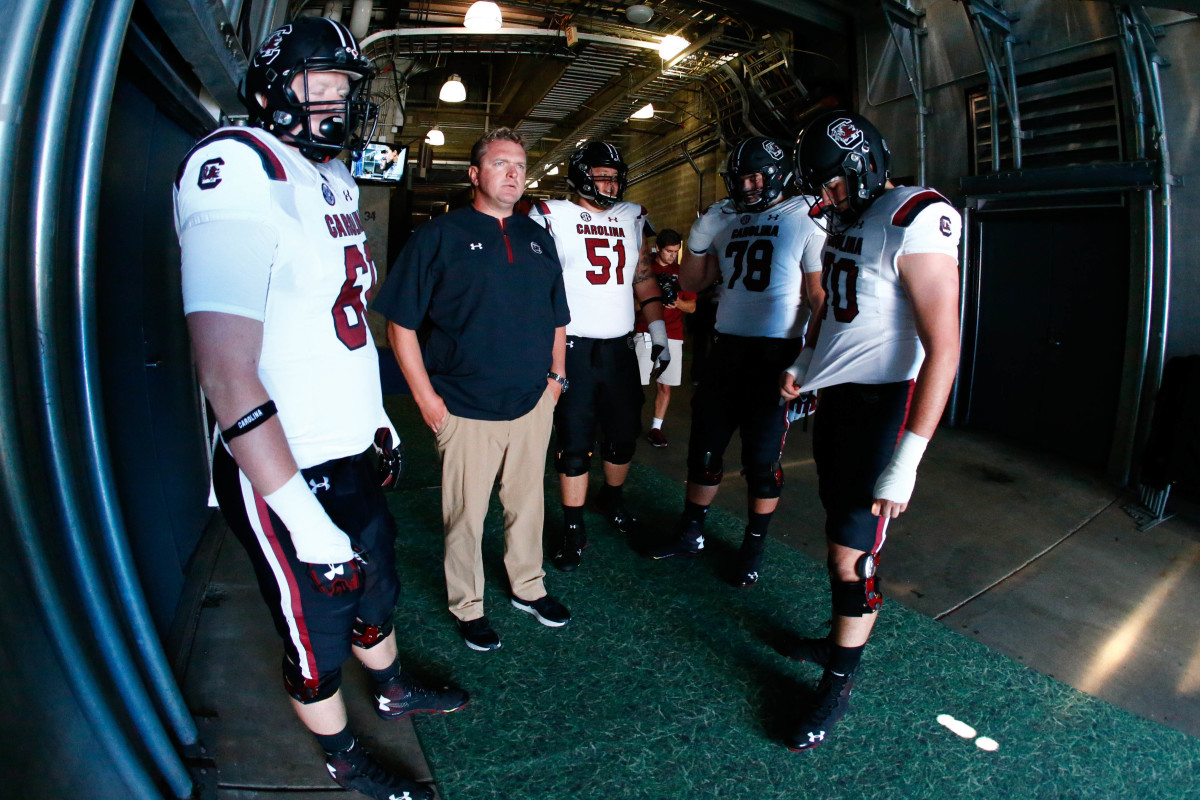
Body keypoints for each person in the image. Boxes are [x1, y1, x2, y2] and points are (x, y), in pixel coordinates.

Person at [174, 17, 467, 800]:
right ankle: (341, 753)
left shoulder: (329, 177)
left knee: (377, 589)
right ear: (274, 87)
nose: (340, 104)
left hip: (347, 447)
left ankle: (393, 687)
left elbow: (341, 327)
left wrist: (375, 419)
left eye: (347, 88)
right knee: (317, 629)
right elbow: (225, 371)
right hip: (283, 463)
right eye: (323, 87)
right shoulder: (236, 165)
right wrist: (304, 520)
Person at [778, 110, 961, 751]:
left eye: (830, 184)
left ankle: (839, 680)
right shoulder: (848, 221)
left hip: (886, 406)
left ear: (862, 166)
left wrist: (908, 456)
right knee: (836, 531)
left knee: (853, 554)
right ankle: (836, 640)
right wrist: (807, 361)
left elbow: (945, 346)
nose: (823, 199)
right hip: (841, 401)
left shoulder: (917, 215)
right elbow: (835, 309)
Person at [373, 127, 572, 653]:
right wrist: (427, 401)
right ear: (475, 174)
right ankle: (469, 605)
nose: (513, 174)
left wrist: (556, 380)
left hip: (532, 402)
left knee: (528, 503)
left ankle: (528, 586)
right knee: (465, 514)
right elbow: (400, 325)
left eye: (521, 166)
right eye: (501, 163)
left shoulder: (537, 237)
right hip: (463, 406)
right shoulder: (439, 237)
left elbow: (557, 317)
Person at [649, 136, 826, 591]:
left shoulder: (805, 217)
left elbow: (818, 299)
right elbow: (690, 283)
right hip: (726, 348)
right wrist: (702, 237)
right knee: (704, 450)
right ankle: (691, 532)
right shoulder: (730, 218)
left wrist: (811, 361)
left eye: (755, 176)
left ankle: (753, 544)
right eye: (740, 178)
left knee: (761, 462)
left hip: (776, 353)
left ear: (779, 174)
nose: (746, 187)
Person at [527, 142, 669, 572]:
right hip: (571, 346)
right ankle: (573, 525)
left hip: (620, 346)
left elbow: (643, 279)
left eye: (613, 175)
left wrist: (658, 330)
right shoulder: (550, 215)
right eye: (600, 175)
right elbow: (537, 286)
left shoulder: (632, 216)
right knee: (574, 442)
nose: (608, 183)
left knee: (623, 434)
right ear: (580, 176)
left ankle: (613, 498)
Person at [633, 229, 696, 447]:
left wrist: (676, 302)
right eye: (669, 251)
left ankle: (656, 428)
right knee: (635, 384)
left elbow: (692, 307)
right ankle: (630, 422)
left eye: (676, 252)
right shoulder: (644, 268)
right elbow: (631, 305)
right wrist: (653, 296)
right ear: (658, 248)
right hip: (646, 330)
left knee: (665, 385)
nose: (672, 256)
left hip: (673, 333)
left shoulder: (682, 272)